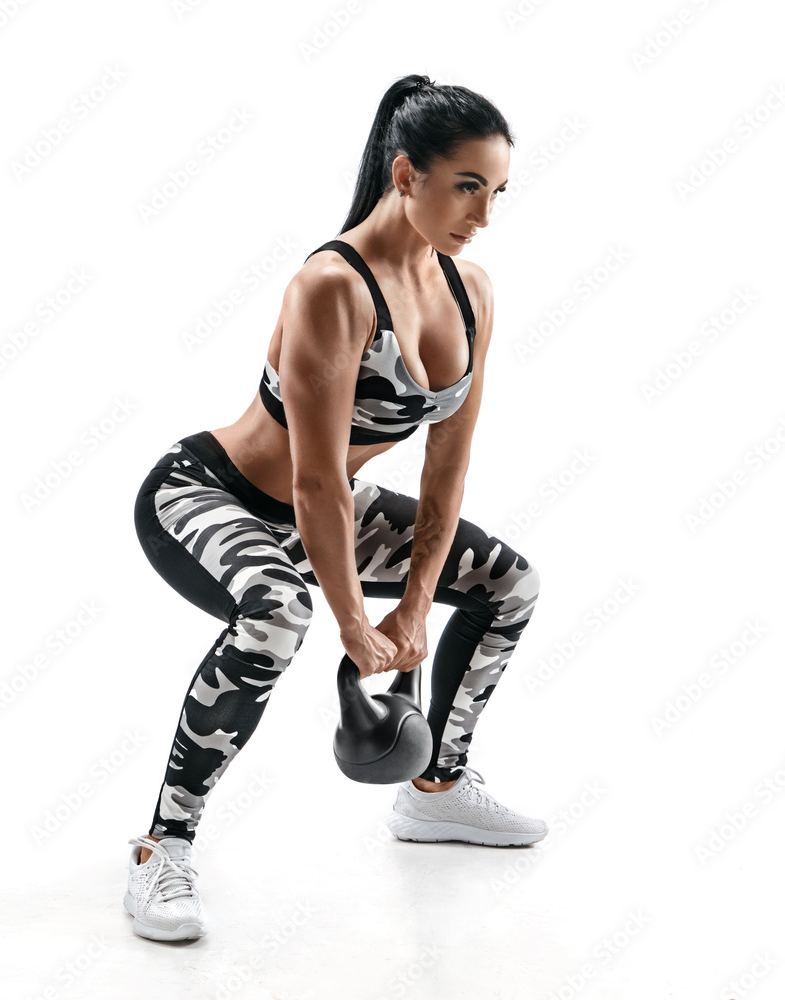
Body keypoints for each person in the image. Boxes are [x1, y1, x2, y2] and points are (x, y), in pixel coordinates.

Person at [124, 72, 546, 943]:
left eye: (497, 191)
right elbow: (314, 481)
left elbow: (447, 470)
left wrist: (420, 607)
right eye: (467, 185)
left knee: (511, 583)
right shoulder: (332, 285)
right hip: (210, 494)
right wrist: (357, 626)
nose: (484, 213)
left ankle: (436, 790)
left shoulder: (475, 294)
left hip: (332, 509)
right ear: (405, 175)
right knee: (280, 613)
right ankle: (161, 847)